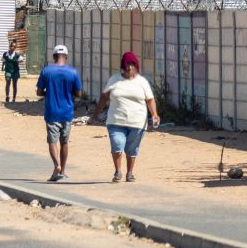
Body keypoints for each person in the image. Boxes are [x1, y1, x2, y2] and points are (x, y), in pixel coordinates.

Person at [88, 51, 159, 183]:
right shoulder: (114, 80)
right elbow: (104, 98)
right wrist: (95, 115)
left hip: (137, 122)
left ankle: (130, 172)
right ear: (123, 66)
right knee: (117, 145)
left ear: (136, 66)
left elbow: (150, 100)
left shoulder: (142, 82)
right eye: (127, 65)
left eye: (132, 65)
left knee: (132, 149)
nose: (130, 68)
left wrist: (154, 114)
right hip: (116, 120)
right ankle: (118, 171)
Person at [36, 44, 82, 182]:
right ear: (66, 57)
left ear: (54, 56)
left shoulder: (46, 71)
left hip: (52, 112)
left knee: (52, 141)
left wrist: (48, 92)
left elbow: (39, 92)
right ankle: (63, 170)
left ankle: (57, 166)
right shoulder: (73, 72)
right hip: (67, 112)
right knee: (65, 142)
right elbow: (79, 93)